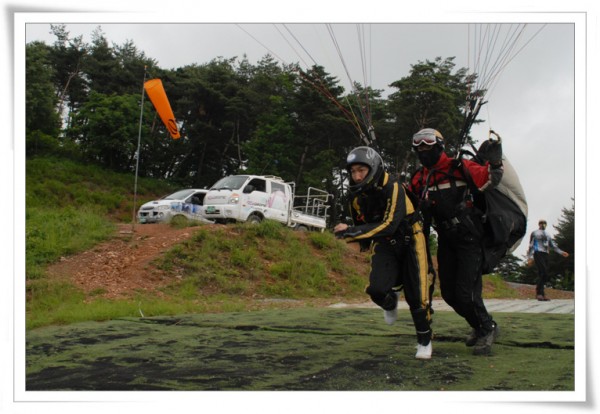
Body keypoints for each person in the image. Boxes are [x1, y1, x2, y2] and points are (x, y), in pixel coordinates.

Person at [407, 128, 503, 356]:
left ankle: (487, 328)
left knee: (466, 293)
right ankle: (481, 325)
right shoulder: (420, 178)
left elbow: (490, 179)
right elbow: (408, 201)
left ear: (439, 146)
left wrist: (496, 163)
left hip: (469, 238)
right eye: (419, 147)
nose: (423, 150)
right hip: (446, 240)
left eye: (428, 145)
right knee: (449, 295)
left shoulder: (460, 167)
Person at [334, 146, 434, 360]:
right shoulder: (356, 197)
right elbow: (362, 224)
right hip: (384, 243)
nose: (357, 176)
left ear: (373, 168)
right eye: (353, 171)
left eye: (361, 170)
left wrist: (350, 232)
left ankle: (424, 340)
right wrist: (356, 238)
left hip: (411, 238)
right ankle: (390, 302)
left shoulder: (393, 186)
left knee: (417, 296)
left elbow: (389, 224)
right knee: (376, 290)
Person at [527, 219, 569, 301]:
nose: (543, 225)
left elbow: (553, 246)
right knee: (543, 271)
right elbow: (531, 245)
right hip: (538, 253)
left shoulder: (548, 234)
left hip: (545, 254)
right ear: (539, 224)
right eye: (541, 223)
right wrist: (529, 257)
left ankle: (542, 293)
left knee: (544, 274)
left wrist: (561, 252)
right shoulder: (534, 233)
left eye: (544, 223)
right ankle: (539, 293)